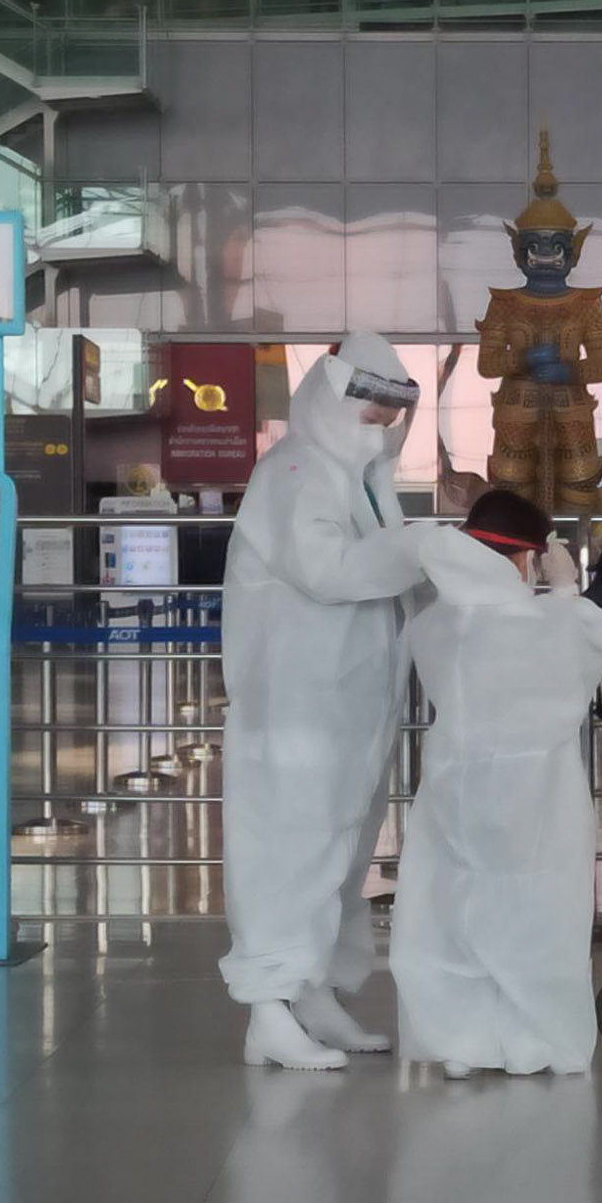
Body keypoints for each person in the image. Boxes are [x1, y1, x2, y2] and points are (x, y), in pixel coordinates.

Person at [220, 334, 424, 1070]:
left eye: (390, 413)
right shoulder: (299, 471)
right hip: (297, 707)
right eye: (369, 409)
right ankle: (268, 1009)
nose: (379, 424)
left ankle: (312, 995)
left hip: (349, 709)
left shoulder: (363, 484)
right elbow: (327, 570)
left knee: (339, 851)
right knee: (289, 845)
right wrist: (427, 552)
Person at [390, 490, 602, 1079]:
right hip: (533, 789)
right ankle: (531, 1042)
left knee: (455, 908)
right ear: (524, 559)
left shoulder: (435, 621)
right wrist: (567, 590)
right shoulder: (532, 619)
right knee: (535, 909)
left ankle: (460, 1042)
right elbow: (588, 645)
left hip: (452, 780)